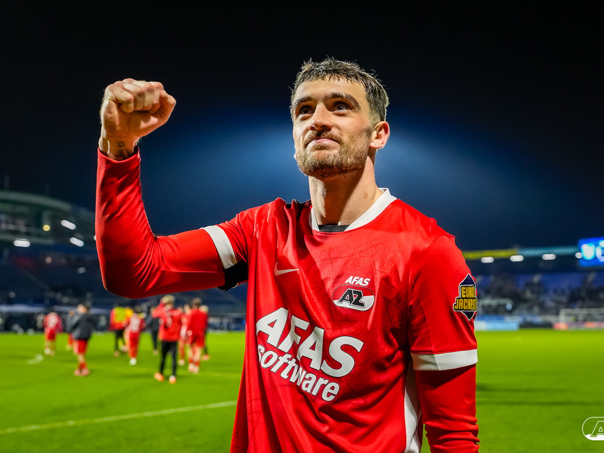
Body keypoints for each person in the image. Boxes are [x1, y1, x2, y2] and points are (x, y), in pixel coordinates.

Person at [96, 58, 479, 452]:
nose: (318, 120)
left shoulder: (427, 251)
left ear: (378, 134)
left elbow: (454, 431)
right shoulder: (263, 230)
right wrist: (118, 146)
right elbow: (135, 272)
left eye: (340, 106)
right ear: (295, 139)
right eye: (304, 111)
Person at [152, 294, 183, 383]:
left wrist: (161, 304)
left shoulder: (163, 311)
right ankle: (173, 376)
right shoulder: (178, 312)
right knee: (174, 357)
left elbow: (154, 314)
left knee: (163, 357)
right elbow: (181, 324)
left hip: (165, 337)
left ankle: (161, 373)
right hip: (174, 338)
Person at [71, 303, 95, 376]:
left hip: (80, 337)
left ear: (84, 309)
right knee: (82, 353)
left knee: (80, 354)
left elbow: (73, 325)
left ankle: (85, 369)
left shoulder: (81, 317)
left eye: (80, 307)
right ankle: (79, 369)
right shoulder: (90, 316)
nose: (78, 309)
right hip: (86, 337)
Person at [186, 298, 209, 373]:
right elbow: (205, 324)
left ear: (193, 304)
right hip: (200, 333)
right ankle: (196, 367)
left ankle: (191, 365)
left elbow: (188, 323)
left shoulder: (191, 313)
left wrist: (186, 332)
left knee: (190, 349)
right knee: (198, 350)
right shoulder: (203, 314)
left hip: (191, 333)